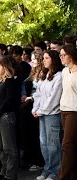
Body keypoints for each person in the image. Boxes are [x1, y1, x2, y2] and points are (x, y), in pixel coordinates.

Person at [32, 50, 63, 180]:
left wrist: (41, 110)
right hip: (42, 114)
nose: (43, 60)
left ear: (54, 60)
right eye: (43, 58)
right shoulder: (45, 75)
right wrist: (35, 108)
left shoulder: (59, 76)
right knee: (43, 144)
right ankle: (47, 169)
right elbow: (38, 94)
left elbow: (53, 98)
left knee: (53, 144)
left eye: (46, 58)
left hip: (52, 115)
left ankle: (55, 172)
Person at [0, 55, 18, 180]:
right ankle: (4, 171)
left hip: (6, 116)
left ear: (5, 67)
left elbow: (8, 101)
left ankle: (10, 175)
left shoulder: (10, 81)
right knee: (1, 147)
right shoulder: (1, 81)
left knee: (9, 147)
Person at [57, 45, 77, 180]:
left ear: (71, 55)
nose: (61, 57)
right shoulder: (64, 71)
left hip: (74, 112)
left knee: (67, 145)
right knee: (71, 146)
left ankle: (61, 177)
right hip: (63, 110)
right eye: (60, 55)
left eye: (64, 55)